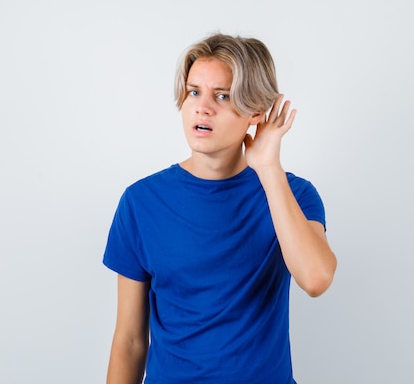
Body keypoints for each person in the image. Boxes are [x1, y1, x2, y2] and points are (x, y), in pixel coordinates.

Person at [103, 33, 337, 384]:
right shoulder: (140, 202)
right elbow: (130, 341)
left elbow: (317, 279)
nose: (202, 107)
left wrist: (268, 167)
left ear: (257, 110)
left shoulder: (294, 195)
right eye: (194, 92)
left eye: (223, 96)